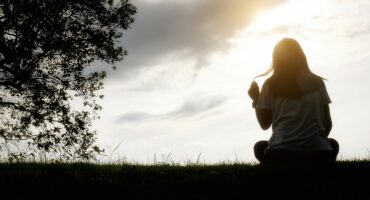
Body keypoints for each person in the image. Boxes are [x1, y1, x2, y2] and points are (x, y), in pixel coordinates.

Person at [248, 38, 339, 165]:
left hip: (282, 153)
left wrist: (256, 99)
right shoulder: (318, 83)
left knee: (259, 147)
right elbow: (327, 124)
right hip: (319, 153)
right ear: (301, 56)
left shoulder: (270, 85)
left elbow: (264, 124)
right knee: (333, 144)